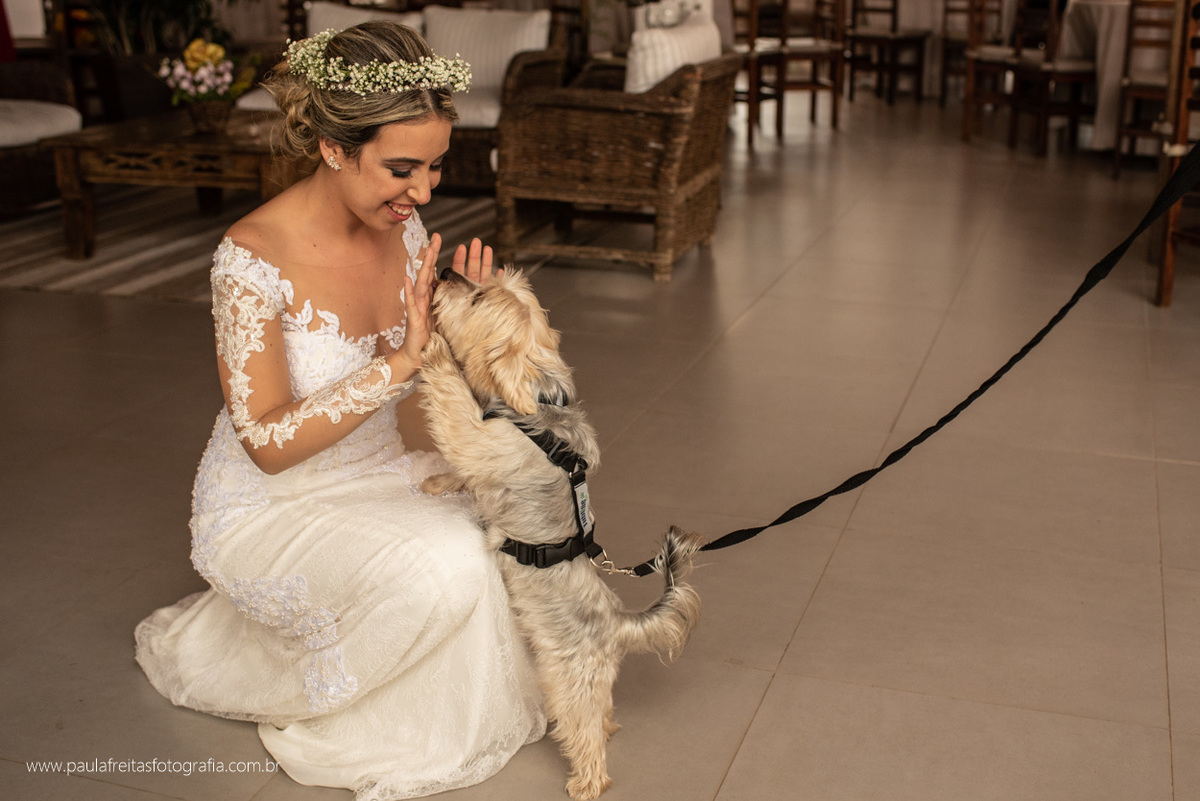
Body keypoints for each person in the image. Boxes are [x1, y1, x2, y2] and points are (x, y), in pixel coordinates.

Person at [134, 21, 546, 800]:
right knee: (451, 562)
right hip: (268, 503)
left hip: (378, 469)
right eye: (400, 168)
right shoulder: (250, 256)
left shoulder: (404, 223)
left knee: (515, 511)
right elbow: (264, 442)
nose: (422, 193)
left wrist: (476, 342)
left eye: (433, 167)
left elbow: (426, 398)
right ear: (331, 148)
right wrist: (401, 358)